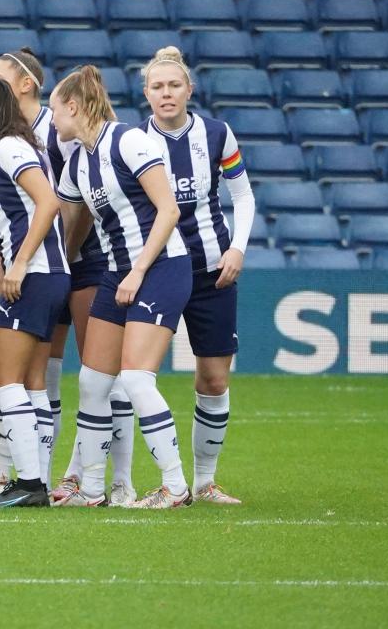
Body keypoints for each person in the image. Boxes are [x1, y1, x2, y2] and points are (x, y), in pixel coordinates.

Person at [52, 66, 193, 509]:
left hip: (161, 267)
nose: (52, 119)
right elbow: (71, 229)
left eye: (55, 110)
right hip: (117, 274)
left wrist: (136, 272)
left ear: (73, 107)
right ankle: (91, 490)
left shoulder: (128, 140)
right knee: (93, 382)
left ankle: (175, 486)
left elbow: (168, 211)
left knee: (134, 377)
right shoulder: (77, 162)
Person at [0, 49, 112, 498]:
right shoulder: (12, 137)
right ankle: (44, 475)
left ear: (25, 84)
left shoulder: (56, 131)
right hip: (49, 262)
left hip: (76, 262)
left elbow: (76, 196)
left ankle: (94, 476)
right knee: (45, 374)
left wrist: (66, 248)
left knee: (97, 374)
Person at [138, 46, 253, 505]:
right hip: (159, 271)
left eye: (174, 85)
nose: (166, 94)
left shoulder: (218, 134)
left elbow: (242, 196)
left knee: (214, 380)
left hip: (212, 272)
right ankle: (139, 481)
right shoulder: (131, 140)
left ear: (190, 89)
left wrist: (238, 248)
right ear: (146, 93)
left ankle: (204, 483)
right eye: (157, 87)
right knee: (135, 375)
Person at [0, 79, 70, 508]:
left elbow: (49, 203)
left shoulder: (8, 149)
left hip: (34, 275)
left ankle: (31, 484)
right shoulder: (3, 153)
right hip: (49, 275)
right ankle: (35, 477)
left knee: (4, 378)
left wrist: (18, 263)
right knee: (32, 382)